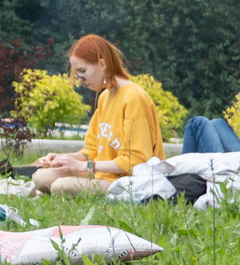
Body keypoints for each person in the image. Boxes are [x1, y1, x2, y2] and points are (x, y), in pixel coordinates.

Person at [29, 36, 164, 194]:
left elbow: (135, 162)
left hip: (129, 180)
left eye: (82, 71)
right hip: (102, 174)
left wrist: (82, 167)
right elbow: (91, 150)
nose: (80, 80)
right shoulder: (104, 97)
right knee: (40, 178)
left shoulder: (134, 97)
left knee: (62, 186)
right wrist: (63, 158)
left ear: (103, 64)